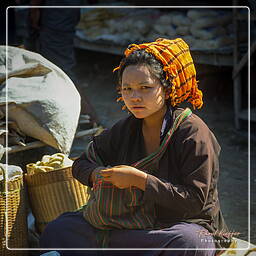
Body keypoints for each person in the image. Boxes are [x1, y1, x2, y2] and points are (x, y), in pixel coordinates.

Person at [40, 38, 232, 255]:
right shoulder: (125, 128)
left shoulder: (193, 133)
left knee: (191, 244)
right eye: (127, 89)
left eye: (145, 88)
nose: (134, 97)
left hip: (179, 226)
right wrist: (97, 175)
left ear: (167, 89)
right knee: (60, 229)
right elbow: (81, 164)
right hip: (130, 223)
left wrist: (141, 181)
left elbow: (195, 202)